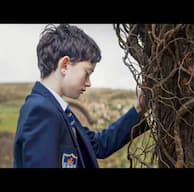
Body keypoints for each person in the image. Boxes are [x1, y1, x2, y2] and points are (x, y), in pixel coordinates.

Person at [13, 24, 146, 168]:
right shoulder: (42, 111)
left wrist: (138, 108)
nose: (88, 83)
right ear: (65, 65)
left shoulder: (57, 109)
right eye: (87, 73)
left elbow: (97, 146)